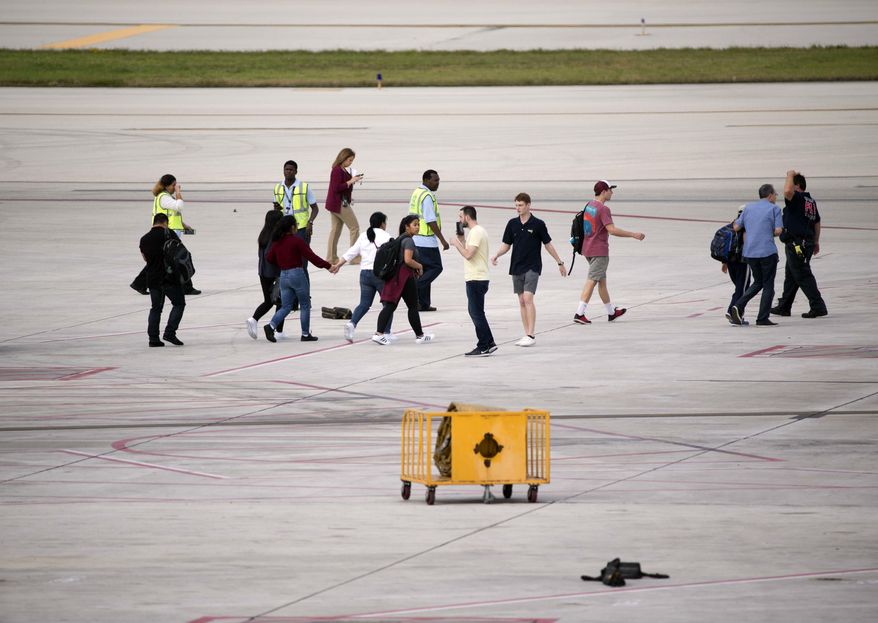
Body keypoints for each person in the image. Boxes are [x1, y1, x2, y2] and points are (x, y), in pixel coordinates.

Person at [490, 193, 567, 347]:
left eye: (520, 205)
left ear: (528, 205)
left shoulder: (538, 224)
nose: (517, 208)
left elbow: (548, 244)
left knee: (528, 298)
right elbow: (507, 244)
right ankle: (526, 334)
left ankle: (531, 334)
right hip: (516, 266)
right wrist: (496, 255)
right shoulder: (512, 223)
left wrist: (559, 262)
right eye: (516, 205)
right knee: (521, 301)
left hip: (532, 266)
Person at [572, 181, 645, 325]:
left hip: (587, 248)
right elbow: (611, 229)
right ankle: (579, 313)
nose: (612, 193)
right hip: (599, 250)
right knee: (592, 280)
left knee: (601, 281)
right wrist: (632, 234)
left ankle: (611, 312)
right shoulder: (603, 209)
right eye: (611, 190)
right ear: (604, 191)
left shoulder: (590, 205)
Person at [263, 215, 332, 343]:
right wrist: (328, 266)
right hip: (297, 274)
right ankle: (305, 334)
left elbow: (270, 258)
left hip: (284, 276)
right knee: (305, 304)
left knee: (286, 306)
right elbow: (312, 257)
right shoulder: (297, 241)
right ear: (292, 227)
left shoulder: (277, 241)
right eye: (295, 225)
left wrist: (282, 261)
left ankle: (271, 326)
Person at [771, 170, 828, 319]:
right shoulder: (810, 201)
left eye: (790, 182)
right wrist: (815, 241)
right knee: (791, 275)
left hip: (797, 243)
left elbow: (787, 191)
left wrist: (789, 174)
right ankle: (784, 306)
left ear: (797, 186)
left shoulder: (797, 198)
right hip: (804, 242)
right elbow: (816, 222)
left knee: (802, 275)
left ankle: (818, 306)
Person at [331, 211, 395, 343]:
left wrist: (338, 265)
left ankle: (352, 323)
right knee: (388, 305)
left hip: (364, 274)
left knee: (364, 304)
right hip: (380, 275)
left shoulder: (363, 236)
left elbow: (351, 253)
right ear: (382, 223)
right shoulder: (386, 236)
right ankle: (386, 332)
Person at [372, 215, 435, 346]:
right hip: (404, 276)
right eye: (415, 224)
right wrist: (420, 266)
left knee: (392, 306)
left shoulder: (400, 239)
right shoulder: (409, 241)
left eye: (418, 224)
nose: (417, 227)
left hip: (396, 277)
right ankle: (379, 334)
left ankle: (418, 335)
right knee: (410, 306)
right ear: (407, 227)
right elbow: (407, 260)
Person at [729, 184, 784, 326]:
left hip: (750, 252)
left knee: (757, 282)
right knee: (768, 285)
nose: (776, 197)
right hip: (767, 251)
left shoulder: (748, 208)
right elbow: (778, 230)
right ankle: (762, 318)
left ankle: (738, 305)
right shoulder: (774, 209)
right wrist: (766, 232)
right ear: (770, 195)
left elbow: (736, 226)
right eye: (775, 195)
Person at [273, 160, 319, 310]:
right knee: (287, 265)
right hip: (285, 231)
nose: (289, 172)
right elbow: (276, 208)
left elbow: (315, 208)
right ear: (283, 171)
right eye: (286, 169)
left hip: (301, 229)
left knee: (302, 265)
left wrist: (310, 222)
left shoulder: (304, 187)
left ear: (296, 171)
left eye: (291, 170)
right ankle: (291, 301)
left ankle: (306, 298)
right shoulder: (278, 188)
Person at [451, 206, 497, 356]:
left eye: (460, 217)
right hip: (476, 277)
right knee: (476, 311)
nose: (459, 220)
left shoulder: (477, 231)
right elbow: (468, 249)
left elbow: (468, 254)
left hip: (476, 278)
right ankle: (489, 342)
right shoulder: (475, 232)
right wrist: (462, 239)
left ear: (467, 217)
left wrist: (455, 243)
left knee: (476, 313)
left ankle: (484, 345)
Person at [139, 212, 185, 347]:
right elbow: (180, 252)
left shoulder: (144, 239)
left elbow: (145, 258)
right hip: (169, 277)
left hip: (153, 278)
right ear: (165, 222)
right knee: (179, 304)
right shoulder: (169, 233)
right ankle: (170, 333)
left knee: (156, 308)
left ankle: (153, 339)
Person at [151, 173, 200, 295]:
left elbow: (172, 214)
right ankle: (187, 287)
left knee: (163, 259)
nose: (175, 187)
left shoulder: (165, 197)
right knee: (182, 257)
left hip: (171, 231)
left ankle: (140, 283)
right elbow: (179, 206)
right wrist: (178, 192)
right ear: (167, 186)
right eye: (173, 185)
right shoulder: (164, 197)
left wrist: (183, 224)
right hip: (169, 233)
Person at [408, 169, 448, 312]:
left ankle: (423, 303)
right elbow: (431, 221)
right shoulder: (427, 196)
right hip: (426, 240)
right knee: (436, 267)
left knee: (423, 270)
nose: (437, 183)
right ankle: (416, 286)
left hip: (415, 239)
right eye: (435, 180)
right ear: (426, 180)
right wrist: (442, 240)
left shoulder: (417, 192)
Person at [246, 210, 287, 340]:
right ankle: (278, 331)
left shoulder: (263, 234)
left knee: (268, 301)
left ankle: (254, 319)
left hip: (263, 271)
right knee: (281, 301)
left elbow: (261, 255)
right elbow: (272, 256)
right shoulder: (275, 237)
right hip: (274, 272)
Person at [325, 147, 364, 263]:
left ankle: (331, 258)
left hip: (337, 203)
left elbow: (343, 187)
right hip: (339, 203)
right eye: (350, 160)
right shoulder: (337, 170)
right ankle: (354, 257)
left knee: (335, 230)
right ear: (343, 158)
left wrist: (351, 183)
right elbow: (336, 188)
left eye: (352, 160)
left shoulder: (342, 170)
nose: (350, 163)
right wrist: (350, 181)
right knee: (354, 227)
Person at [722, 207, 751, 326]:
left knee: (739, 288)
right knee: (743, 289)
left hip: (730, 262)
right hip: (742, 262)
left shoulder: (731, 225)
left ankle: (734, 312)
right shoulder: (745, 227)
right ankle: (734, 311)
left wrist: (724, 263)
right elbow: (747, 244)